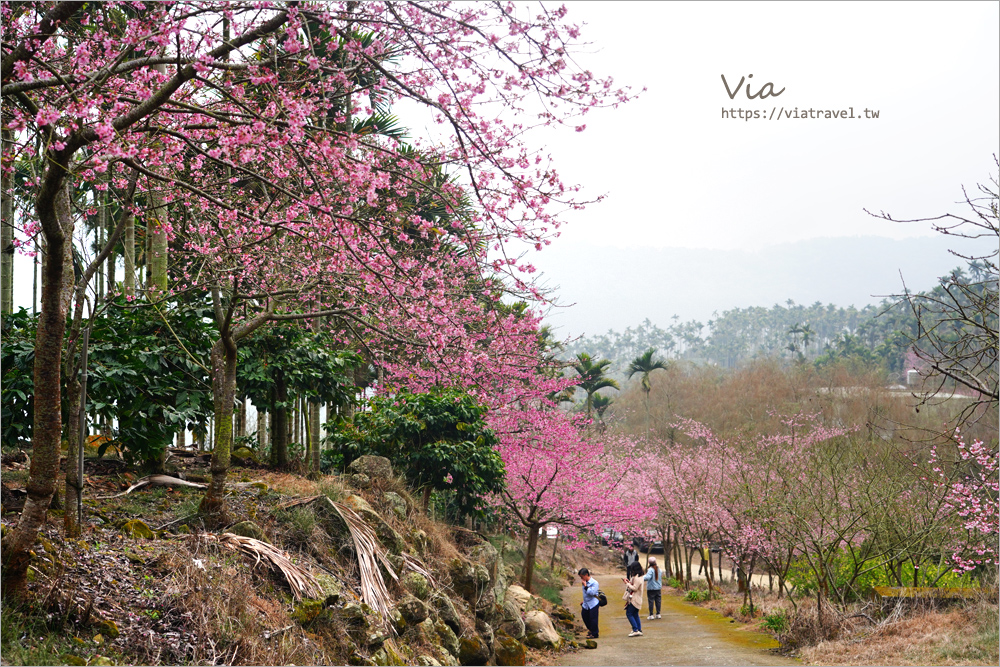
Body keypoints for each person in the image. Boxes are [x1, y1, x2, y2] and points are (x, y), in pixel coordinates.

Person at [622, 561, 645, 637]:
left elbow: (635, 588)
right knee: (635, 614)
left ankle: (635, 629)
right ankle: (638, 629)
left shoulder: (638, 578)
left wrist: (627, 584)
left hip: (635, 599)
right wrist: (629, 582)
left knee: (629, 613)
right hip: (637, 598)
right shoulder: (639, 576)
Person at [578, 568, 600, 639]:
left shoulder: (594, 583)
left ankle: (595, 633)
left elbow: (592, 593)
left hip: (593, 603)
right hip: (586, 603)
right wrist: (584, 601)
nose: (581, 579)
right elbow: (585, 594)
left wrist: (585, 586)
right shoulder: (584, 582)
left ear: (586, 575)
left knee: (593, 618)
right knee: (584, 615)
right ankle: (590, 629)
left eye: (582, 577)